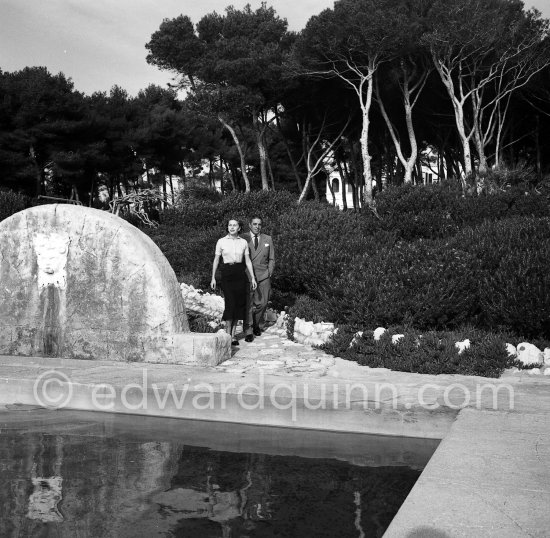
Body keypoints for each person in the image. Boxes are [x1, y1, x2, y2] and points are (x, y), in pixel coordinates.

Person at [211, 219, 257, 346]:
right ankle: (227, 334)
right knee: (230, 303)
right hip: (227, 273)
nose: (231, 227)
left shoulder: (243, 242)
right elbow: (216, 259)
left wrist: (252, 277)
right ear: (227, 227)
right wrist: (213, 277)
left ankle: (233, 336)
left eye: (234, 225)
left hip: (240, 273)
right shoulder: (221, 241)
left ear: (239, 228)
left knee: (238, 305)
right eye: (230, 225)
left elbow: (247, 261)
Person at [242, 216, 275, 342]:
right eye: (254, 224)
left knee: (263, 303)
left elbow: (272, 258)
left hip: (264, 275)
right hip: (247, 275)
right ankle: (249, 330)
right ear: (249, 225)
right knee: (249, 304)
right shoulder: (243, 238)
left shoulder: (268, 239)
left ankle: (256, 324)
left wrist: (269, 271)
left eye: (259, 224)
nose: (257, 226)